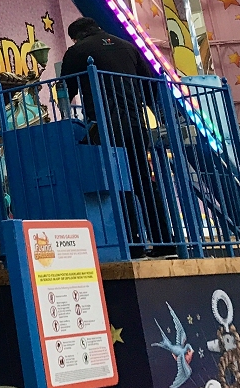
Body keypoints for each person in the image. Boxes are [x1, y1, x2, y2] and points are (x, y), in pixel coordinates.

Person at [61, 17, 173, 256]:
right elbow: (150, 83)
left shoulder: (77, 51)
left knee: (117, 183)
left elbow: (65, 91)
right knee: (142, 179)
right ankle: (165, 240)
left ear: (76, 36)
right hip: (135, 122)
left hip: (105, 124)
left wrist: (64, 118)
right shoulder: (128, 46)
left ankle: (133, 244)